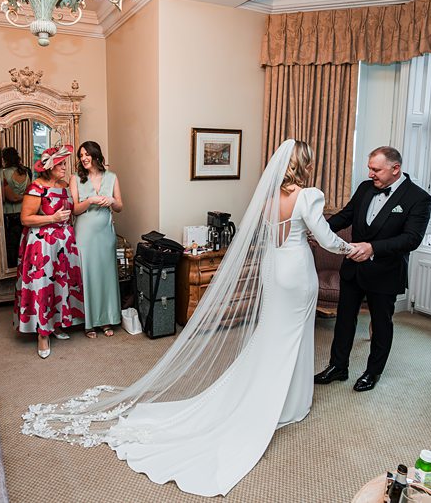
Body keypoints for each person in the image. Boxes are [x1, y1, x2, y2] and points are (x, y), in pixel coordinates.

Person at [21, 139, 352, 496]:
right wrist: (352, 249)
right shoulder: (309, 196)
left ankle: (279, 394)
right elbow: (326, 239)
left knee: (271, 333)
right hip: (297, 271)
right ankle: (291, 402)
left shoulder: (270, 200)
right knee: (294, 334)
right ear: (303, 164)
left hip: (274, 270)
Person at [314, 146, 431, 392]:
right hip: (352, 269)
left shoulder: (418, 198)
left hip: (385, 272)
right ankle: (338, 367)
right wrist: (319, 230)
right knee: (344, 320)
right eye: (369, 168)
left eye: (376, 169)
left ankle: (372, 372)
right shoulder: (365, 188)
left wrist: (373, 248)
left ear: (395, 169)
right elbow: (345, 215)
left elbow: (411, 239)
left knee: (381, 324)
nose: (371, 174)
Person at [15, 145, 84, 359]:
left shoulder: (64, 185)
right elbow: (25, 219)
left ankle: (57, 324)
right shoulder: (36, 188)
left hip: (63, 243)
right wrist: (52, 219)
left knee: (60, 284)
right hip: (42, 244)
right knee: (43, 286)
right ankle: (42, 334)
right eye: (61, 164)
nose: (65, 167)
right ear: (50, 166)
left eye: (65, 163)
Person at [69, 141, 123, 338]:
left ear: (95, 155)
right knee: (87, 274)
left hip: (105, 232)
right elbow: (74, 209)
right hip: (84, 232)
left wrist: (112, 201)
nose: (83, 158)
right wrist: (90, 200)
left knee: (106, 274)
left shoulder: (112, 177)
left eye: (86, 154)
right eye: (80, 155)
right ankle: (89, 322)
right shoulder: (75, 178)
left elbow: (120, 206)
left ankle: (106, 319)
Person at [1, 147, 31, 268]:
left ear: (5, 159)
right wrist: (23, 196)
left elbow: (10, 197)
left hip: (9, 214)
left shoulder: (2, 173)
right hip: (24, 212)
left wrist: (16, 198)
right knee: (23, 241)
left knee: (11, 245)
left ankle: (13, 268)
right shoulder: (25, 172)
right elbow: (29, 193)